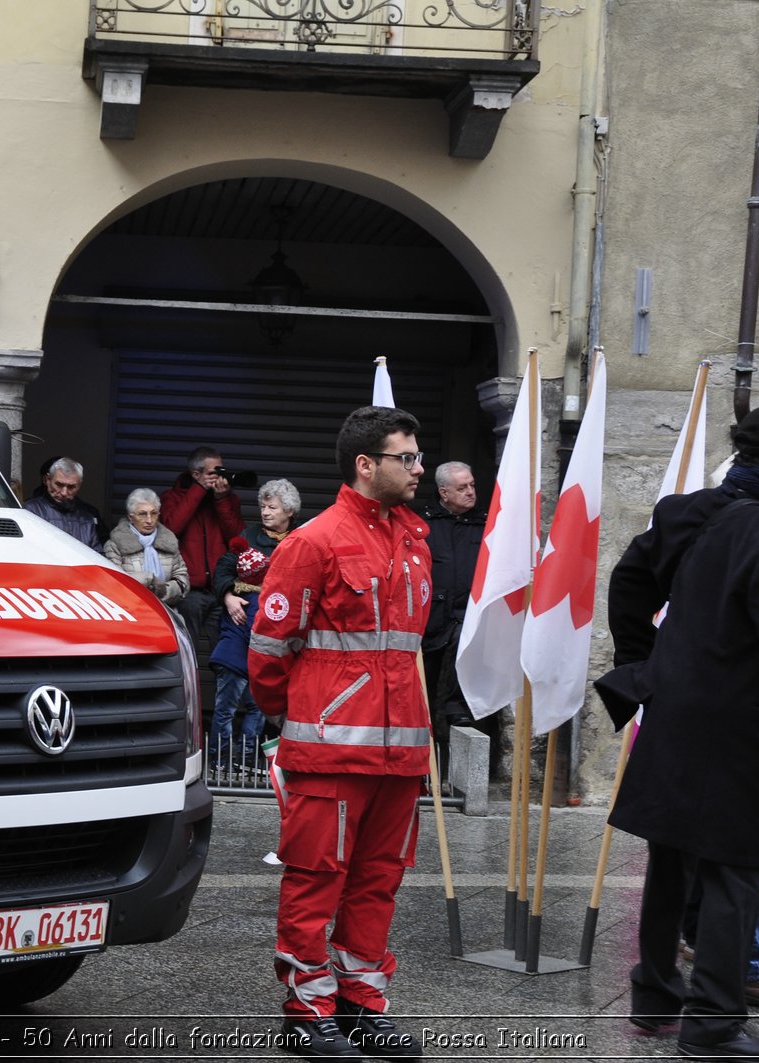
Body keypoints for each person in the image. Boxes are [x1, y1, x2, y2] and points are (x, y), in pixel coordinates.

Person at [603, 403, 759, 1060]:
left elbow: (629, 577)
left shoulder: (694, 512)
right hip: (740, 733)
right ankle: (713, 1024)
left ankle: (656, 997)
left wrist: (641, 667)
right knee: (735, 873)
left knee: (671, 863)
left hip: (676, 715)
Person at [249, 408, 430, 1060]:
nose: (418, 468)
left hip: (401, 753)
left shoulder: (414, 539)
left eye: (416, 456)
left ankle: (359, 1007)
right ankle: (306, 1013)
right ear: (365, 463)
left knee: (377, 884)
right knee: (314, 882)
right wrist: (301, 717)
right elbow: (269, 653)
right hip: (329, 751)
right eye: (404, 457)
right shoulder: (313, 542)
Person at [208, 478, 300, 780]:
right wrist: (228, 596)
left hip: (273, 637)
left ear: (288, 511)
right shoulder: (247, 537)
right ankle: (220, 760)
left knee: (259, 704)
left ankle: (248, 759)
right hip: (238, 630)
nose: (265, 512)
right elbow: (222, 569)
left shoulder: (299, 542)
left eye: (272, 507)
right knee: (226, 702)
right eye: (263, 506)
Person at [416, 461, 494, 765]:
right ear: (443, 492)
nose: (471, 492)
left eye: (472, 485)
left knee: (461, 708)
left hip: (470, 625)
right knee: (426, 697)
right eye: (462, 488)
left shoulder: (487, 523)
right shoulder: (422, 525)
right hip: (431, 625)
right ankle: (427, 768)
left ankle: (457, 770)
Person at [161, 446, 244, 646]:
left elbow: (238, 539)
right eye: (214, 473)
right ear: (196, 474)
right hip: (190, 594)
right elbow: (171, 529)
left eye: (221, 471)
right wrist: (198, 490)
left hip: (221, 592)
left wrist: (222, 500)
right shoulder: (172, 498)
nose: (220, 477)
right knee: (187, 651)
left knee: (227, 653)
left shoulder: (227, 499)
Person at [104, 487, 189, 607]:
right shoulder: (115, 545)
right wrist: (148, 580)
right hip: (130, 610)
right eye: (142, 514)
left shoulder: (169, 542)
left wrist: (163, 590)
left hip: (167, 611)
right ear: (130, 517)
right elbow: (114, 582)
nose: (149, 520)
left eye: (153, 513)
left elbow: (183, 580)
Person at [23, 456, 102, 550]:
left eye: (71, 487)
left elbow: (97, 555)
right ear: (47, 480)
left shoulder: (87, 517)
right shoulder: (30, 510)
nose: (64, 493)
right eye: (59, 485)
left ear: (80, 485)